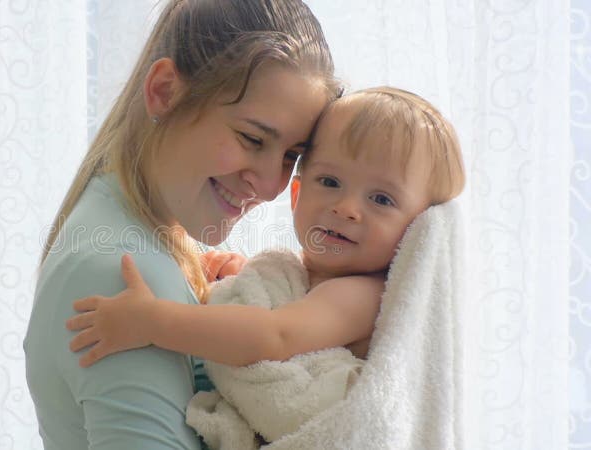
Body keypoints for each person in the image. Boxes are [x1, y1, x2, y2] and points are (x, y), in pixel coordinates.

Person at [23, 0, 340, 448]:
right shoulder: (126, 281)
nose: (271, 186)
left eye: (292, 156)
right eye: (252, 138)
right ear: (165, 91)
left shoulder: (135, 230)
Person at [64, 87, 466, 373]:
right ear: (296, 193)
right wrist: (245, 280)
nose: (346, 208)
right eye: (329, 182)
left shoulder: (362, 295)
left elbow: (276, 337)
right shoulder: (301, 273)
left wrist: (153, 321)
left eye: (380, 200)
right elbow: (287, 307)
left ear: (418, 229)